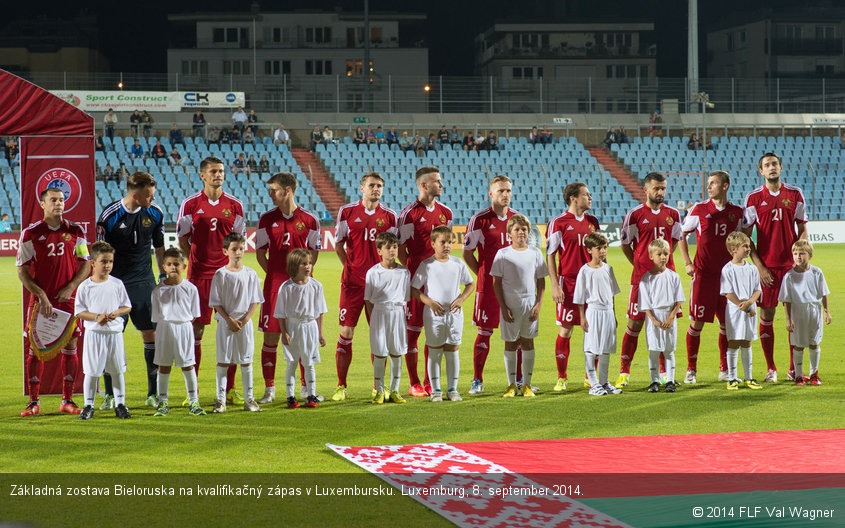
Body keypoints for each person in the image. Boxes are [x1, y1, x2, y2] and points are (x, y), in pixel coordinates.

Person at [177, 156, 246, 403]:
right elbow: (183, 238)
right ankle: (192, 393)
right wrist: (193, 261)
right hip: (199, 277)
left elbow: (239, 241)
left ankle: (230, 389)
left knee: (231, 329)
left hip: (227, 277)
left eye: (221, 171)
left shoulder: (235, 205)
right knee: (196, 331)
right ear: (202, 175)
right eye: (214, 171)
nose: (219, 175)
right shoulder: (191, 204)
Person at [17, 187, 92, 417]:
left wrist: (71, 288)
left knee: (71, 347)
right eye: (53, 200)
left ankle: (67, 400)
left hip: (68, 302)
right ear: (42, 204)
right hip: (42, 302)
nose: (58, 203)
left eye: (61, 200)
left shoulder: (75, 231)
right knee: (35, 349)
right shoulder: (31, 233)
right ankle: (33, 402)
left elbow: (86, 264)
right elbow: (22, 271)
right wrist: (40, 295)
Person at [96, 171, 166, 409]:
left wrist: (163, 276)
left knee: (151, 334)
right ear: (135, 194)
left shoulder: (155, 213)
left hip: (144, 282)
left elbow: (159, 247)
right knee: (110, 337)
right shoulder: (110, 215)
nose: (152, 198)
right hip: (115, 284)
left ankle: (152, 393)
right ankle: (108, 395)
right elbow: (99, 250)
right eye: (149, 195)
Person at [255, 172, 322, 404]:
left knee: (303, 336)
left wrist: (301, 276)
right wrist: (274, 275)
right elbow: (259, 253)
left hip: (302, 287)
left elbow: (314, 252)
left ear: (288, 190)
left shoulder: (310, 220)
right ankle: (270, 389)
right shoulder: (266, 219)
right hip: (275, 286)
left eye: (274, 190)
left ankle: (306, 389)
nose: (270, 194)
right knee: (271, 337)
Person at [331, 173, 398, 401]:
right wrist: (350, 267)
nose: (376, 189)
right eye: (371, 185)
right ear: (362, 188)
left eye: (379, 186)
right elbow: (339, 244)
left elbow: (392, 249)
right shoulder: (347, 212)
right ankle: (341, 386)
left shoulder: (389, 216)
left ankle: (378, 386)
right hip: (352, 284)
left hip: (379, 287)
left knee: (379, 336)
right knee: (346, 332)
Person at [742, 152, 808, 383]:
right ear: (761, 171)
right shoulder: (753, 198)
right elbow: (745, 237)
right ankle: (771, 368)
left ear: (781, 167)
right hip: (768, 268)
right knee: (767, 315)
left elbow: (802, 229)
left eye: (774, 164)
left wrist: (802, 258)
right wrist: (760, 267)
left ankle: (794, 368)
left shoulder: (795, 194)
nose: (771, 168)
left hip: (792, 269)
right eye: (766, 165)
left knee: (796, 318)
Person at [615, 173, 682, 388]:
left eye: (663, 188)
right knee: (634, 323)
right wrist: (639, 265)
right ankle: (624, 371)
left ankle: (664, 373)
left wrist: (663, 265)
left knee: (664, 324)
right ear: (646, 190)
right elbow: (626, 244)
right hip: (642, 280)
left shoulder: (673, 214)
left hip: (666, 280)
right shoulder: (634, 215)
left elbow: (673, 242)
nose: (660, 192)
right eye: (656, 188)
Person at [677, 171, 744, 384]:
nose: (709, 187)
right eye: (708, 183)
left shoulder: (737, 212)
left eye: (713, 183)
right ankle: (691, 369)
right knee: (697, 323)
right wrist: (688, 262)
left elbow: (743, 240)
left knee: (727, 324)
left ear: (725, 185)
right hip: (704, 276)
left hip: (729, 278)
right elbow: (681, 234)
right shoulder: (699, 209)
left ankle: (724, 368)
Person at [398, 166, 453, 397]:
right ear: (424, 185)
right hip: (416, 283)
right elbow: (401, 251)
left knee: (436, 334)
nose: (441, 185)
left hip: (439, 283)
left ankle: (432, 381)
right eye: (437, 181)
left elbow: (446, 247)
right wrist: (414, 272)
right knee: (413, 332)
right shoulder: (409, 214)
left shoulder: (446, 213)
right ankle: (414, 382)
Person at [463, 175, 519, 395]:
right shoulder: (480, 220)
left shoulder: (517, 219)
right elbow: (467, 253)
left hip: (514, 287)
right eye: (501, 191)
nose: (505, 195)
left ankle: (520, 380)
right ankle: (477, 380)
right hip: (488, 287)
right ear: (491, 193)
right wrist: (484, 275)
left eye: (508, 191)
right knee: (484, 332)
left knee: (517, 333)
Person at [546, 182, 601, 391]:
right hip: (568, 283)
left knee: (592, 330)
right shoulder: (558, 223)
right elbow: (550, 255)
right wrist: (554, 285)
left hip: (591, 282)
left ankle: (590, 376)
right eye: (586, 195)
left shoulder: (593, 221)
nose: (590, 198)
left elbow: (599, 253)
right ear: (573, 198)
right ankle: (562, 377)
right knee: (566, 329)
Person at [411, 225, 475, 402]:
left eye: (449, 242)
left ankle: (452, 389)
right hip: (434, 315)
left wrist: (461, 299)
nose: (447, 245)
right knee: (435, 350)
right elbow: (415, 289)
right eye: (442, 242)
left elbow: (470, 284)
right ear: (433, 244)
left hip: (454, 314)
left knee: (453, 348)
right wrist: (429, 302)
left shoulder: (457, 263)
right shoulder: (427, 265)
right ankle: (436, 390)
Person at [74, 241, 132, 420]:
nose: (107, 266)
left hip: (114, 334)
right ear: (93, 263)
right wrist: (96, 316)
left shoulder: (117, 283)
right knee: (91, 372)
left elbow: (127, 306)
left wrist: (117, 313)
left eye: (110, 262)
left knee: (117, 371)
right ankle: (88, 405)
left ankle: (120, 404)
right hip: (95, 334)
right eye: (103, 262)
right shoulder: (85, 286)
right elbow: (79, 311)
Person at [490, 214, 547, 398]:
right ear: (509, 234)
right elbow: (496, 283)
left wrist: (538, 304)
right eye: (517, 229)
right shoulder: (503, 254)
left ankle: (527, 385)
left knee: (528, 342)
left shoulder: (536, 253)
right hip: (511, 305)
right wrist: (503, 306)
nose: (521, 232)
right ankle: (511, 385)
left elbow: (541, 282)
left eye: (524, 229)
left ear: (528, 232)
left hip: (529, 305)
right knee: (511, 343)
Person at [209, 232, 264, 413]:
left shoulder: (251, 273)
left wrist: (245, 319)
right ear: (226, 251)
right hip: (226, 323)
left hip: (244, 323)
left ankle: (250, 399)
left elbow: (255, 299)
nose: (238, 252)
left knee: (246, 361)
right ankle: (221, 400)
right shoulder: (220, 274)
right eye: (234, 249)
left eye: (241, 248)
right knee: (223, 362)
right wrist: (229, 319)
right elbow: (216, 302)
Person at [150, 247, 205, 417]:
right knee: (163, 366)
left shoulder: (190, 289)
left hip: (184, 328)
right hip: (165, 328)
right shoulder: (158, 291)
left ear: (184, 266)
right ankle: (163, 402)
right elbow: (157, 316)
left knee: (188, 365)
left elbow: (195, 315)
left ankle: (193, 401)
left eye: (176, 264)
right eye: (169, 264)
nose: (173, 267)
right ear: (163, 267)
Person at [275, 249, 327, 409]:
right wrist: (284, 333)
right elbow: (280, 313)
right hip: (293, 326)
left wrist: (320, 333)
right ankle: (290, 396)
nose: (308, 266)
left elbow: (319, 312)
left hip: (309, 326)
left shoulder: (316, 286)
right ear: (294, 265)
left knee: (309, 363)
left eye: (309, 263)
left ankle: (311, 395)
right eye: (303, 263)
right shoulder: (286, 287)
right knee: (292, 362)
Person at [573, 232, 622, 396]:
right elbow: (579, 297)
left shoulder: (608, 269)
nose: (603, 251)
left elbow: (612, 294)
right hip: (593, 312)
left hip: (607, 312)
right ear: (589, 250)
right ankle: (593, 384)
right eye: (599, 248)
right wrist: (582, 317)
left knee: (606, 347)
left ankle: (604, 381)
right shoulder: (584, 271)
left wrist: (614, 314)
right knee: (591, 347)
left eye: (605, 248)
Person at [364, 232, 410, 404]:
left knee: (397, 352)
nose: (392, 251)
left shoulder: (404, 272)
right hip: (379, 313)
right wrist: (373, 318)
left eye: (395, 247)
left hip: (397, 313)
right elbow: (368, 300)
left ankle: (395, 390)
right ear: (379, 251)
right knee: (380, 353)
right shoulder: (373, 273)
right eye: (388, 248)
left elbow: (405, 298)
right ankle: (380, 391)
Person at [778, 240, 831, 386]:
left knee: (814, 342)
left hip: (814, 311)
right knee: (799, 344)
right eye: (795, 254)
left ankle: (814, 374)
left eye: (802, 253)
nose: (798, 257)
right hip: (797, 311)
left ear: (810, 255)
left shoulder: (816, 272)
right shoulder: (789, 276)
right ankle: (799, 376)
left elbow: (824, 293)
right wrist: (788, 319)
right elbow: (786, 300)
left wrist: (826, 311)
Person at [638, 239, 685, 393]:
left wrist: (671, 317)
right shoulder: (646, 279)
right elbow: (645, 304)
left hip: (669, 316)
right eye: (659, 254)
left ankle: (670, 380)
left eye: (665, 254)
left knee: (669, 350)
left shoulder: (673, 276)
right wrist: (654, 321)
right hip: (654, 318)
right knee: (654, 350)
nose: (663, 257)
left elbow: (678, 300)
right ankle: (654, 381)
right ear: (651, 256)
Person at [720, 231, 763, 390]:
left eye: (749, 246)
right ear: (733, 249)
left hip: (750, 309)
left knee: (747, 341)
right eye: (745, 246)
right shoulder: (727, 269)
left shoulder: (752, 268)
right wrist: (743, 306)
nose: (748, 248)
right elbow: (728, 292)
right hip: (735, 310)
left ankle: (749, 377)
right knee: (733, 342)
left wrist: (750, 303)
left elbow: (757, 290)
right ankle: (732, 378)